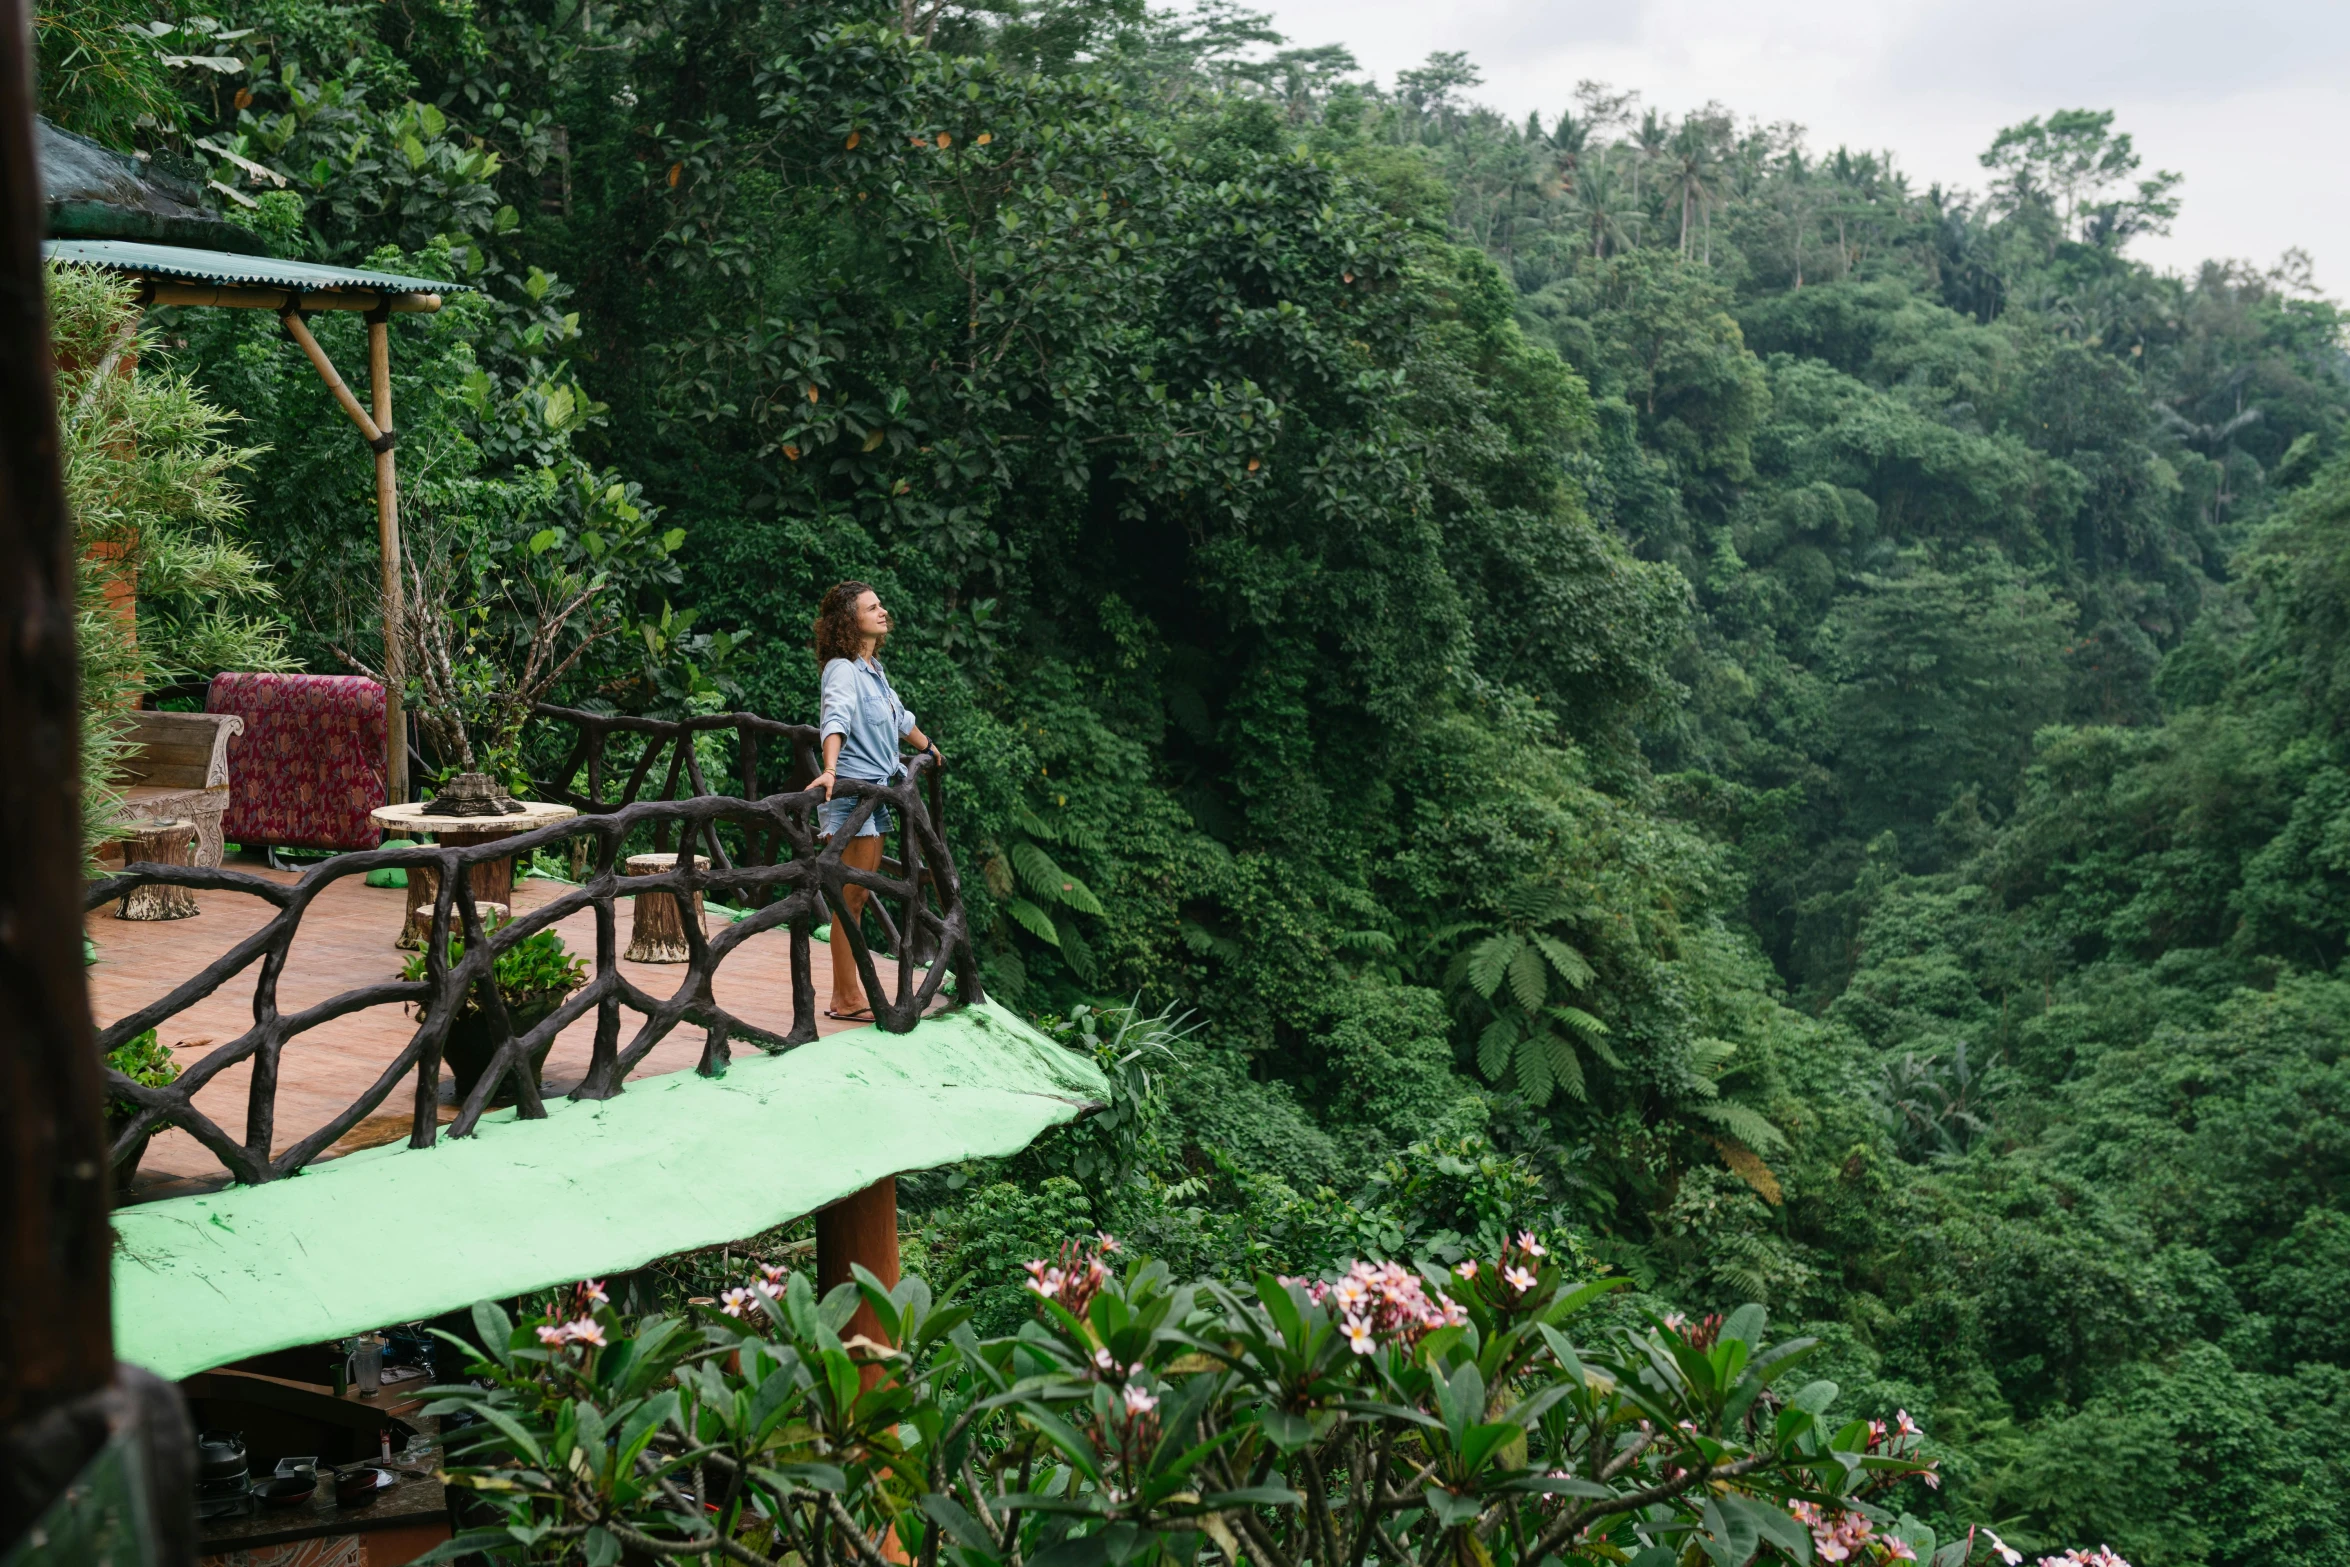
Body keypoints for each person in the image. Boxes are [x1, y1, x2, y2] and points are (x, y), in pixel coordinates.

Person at [809, 581, 940, 1020]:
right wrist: (829, 770)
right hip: (853, 794)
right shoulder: (843, 669)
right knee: (851, 898)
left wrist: (928, 747)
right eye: (873, 607)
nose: (883, 612)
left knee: (857, 897)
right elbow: (835, 718)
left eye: (881, 605)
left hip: (877, 793)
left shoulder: (872, 668)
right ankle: (845, 998)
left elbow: (899, 718)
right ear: (851, 620)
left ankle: (848, 993)